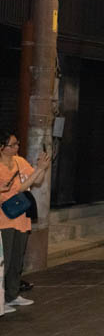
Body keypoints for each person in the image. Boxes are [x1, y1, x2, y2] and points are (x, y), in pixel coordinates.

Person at [1, 132, 51, 311]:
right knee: (4, 261)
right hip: (4, 219)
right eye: (13, 145)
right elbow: (19, 188)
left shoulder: (20, 161)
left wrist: (42, 168)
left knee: (17, 259)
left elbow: (36, 181)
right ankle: (1, 299)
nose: (16, 147)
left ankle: (12, 295)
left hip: (21, 217)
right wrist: (38, 169)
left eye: (17, 144)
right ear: (2, 147)